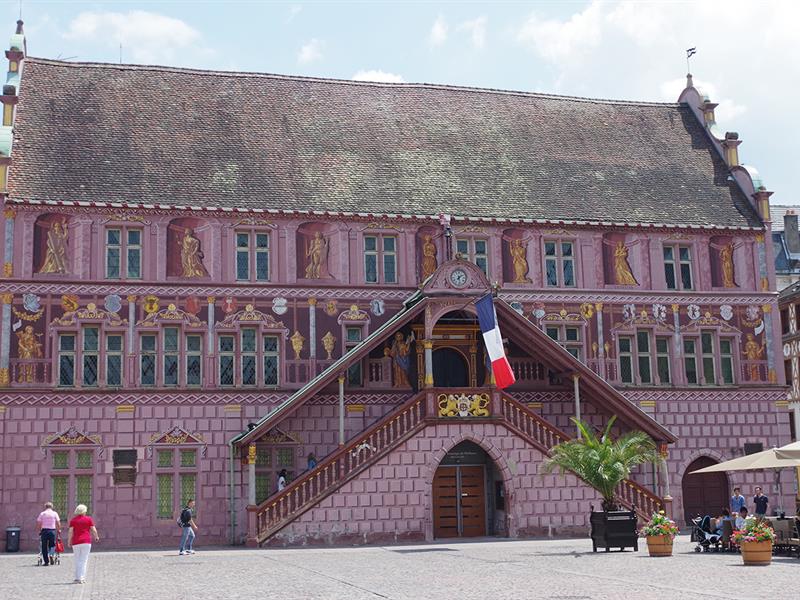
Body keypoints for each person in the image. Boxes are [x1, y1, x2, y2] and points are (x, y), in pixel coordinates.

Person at [67, 504, 99, 584]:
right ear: (84, 511)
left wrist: (69, 541)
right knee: (84, 560)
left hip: (76, 542)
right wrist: (96, 536)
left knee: (77, 560)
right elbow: (93, 529)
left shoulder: (73, 520)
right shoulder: (88, 519)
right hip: (86, 541)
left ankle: (77, 578)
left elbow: (70, 532)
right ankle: (81, 578)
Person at [36, 501, 61, 566]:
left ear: (45, 507)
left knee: (44, 546)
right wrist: (59, 529)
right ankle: (51, 554)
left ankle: (46, 561)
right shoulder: (54, 513)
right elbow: (58, 522)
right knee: (52, 544)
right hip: (52, 531)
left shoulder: (42, 514)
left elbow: (39, 523)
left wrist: (39, 530)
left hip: (44, 531)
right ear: (52, 507)